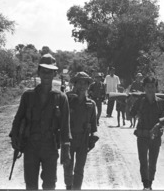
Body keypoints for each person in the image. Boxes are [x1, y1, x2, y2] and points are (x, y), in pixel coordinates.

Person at [9, 53, 71, 190]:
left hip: (51, 147)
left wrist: (66, 150)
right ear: (39, 72)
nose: (47, 75)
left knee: (49, 185)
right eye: (44, 71)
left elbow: (65, 127)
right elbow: (18, 119)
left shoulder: (61, 98)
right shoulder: (28, 96)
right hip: (31, 147)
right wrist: (14, 138)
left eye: (50, 72)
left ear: (54, 74)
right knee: (31, 185)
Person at [130, 76, 164, 190]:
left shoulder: (162, 103)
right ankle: (145, 184)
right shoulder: (140, 101)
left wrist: (161, 124)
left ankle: (150, 183)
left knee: (152, 162)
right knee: (143, 162)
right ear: (144, 88)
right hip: (142, 136)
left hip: (155, 137)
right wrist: (133, 106)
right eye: (148, 87)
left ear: (156, 88)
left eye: (152, 86)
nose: (150, 89)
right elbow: (130, 114)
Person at [64, 72, 98, 190]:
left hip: (83, 140)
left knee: (79, 168)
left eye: (85, 83)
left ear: (88, 86)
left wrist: (93, 138)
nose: (82, 86)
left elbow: (94, 126)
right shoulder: (67, 100)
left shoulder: (91, 104)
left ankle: (77, 188)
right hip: (69, 139)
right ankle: (69, 187)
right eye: (79, 83)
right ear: (75, 84)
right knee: (68, 167)